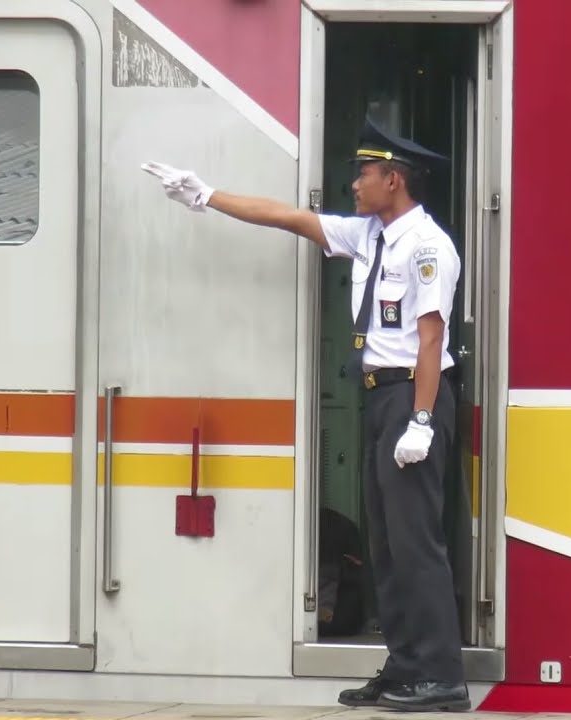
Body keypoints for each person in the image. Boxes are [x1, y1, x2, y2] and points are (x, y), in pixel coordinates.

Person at [141, 117, 469, 712]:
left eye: (363, 174)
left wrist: (421, 421)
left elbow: (430, 339)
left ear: (392, 179)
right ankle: (404, 666)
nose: (354, 185)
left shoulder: (426, 247)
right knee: (386, 544)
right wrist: (207, 195)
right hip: (381, 398)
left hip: (412, 397)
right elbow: (289, 217)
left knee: (416, 541)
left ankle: (440, 676)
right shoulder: (371, 235)